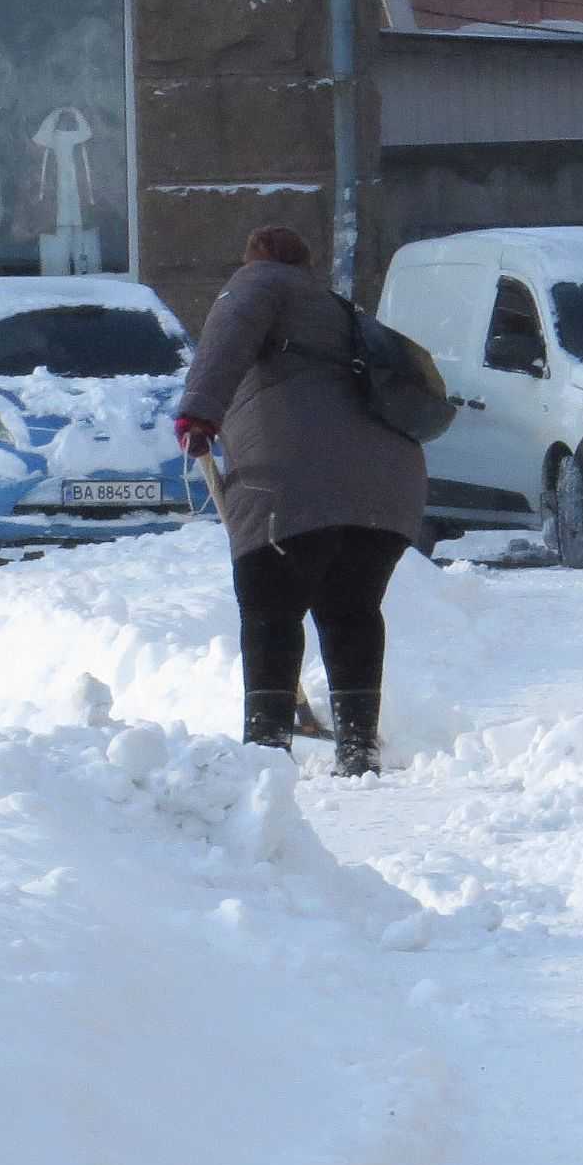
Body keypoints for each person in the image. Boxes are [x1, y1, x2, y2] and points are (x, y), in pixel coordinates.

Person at [175, 226, 430, 775]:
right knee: (351, 610)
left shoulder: (254, 286)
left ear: (254, 259)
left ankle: (266, 756)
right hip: (387, 486)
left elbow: (227, 340)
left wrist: (198, 413)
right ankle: (359, 748)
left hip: (290, 480)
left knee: (270, 608)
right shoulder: (337, 310)